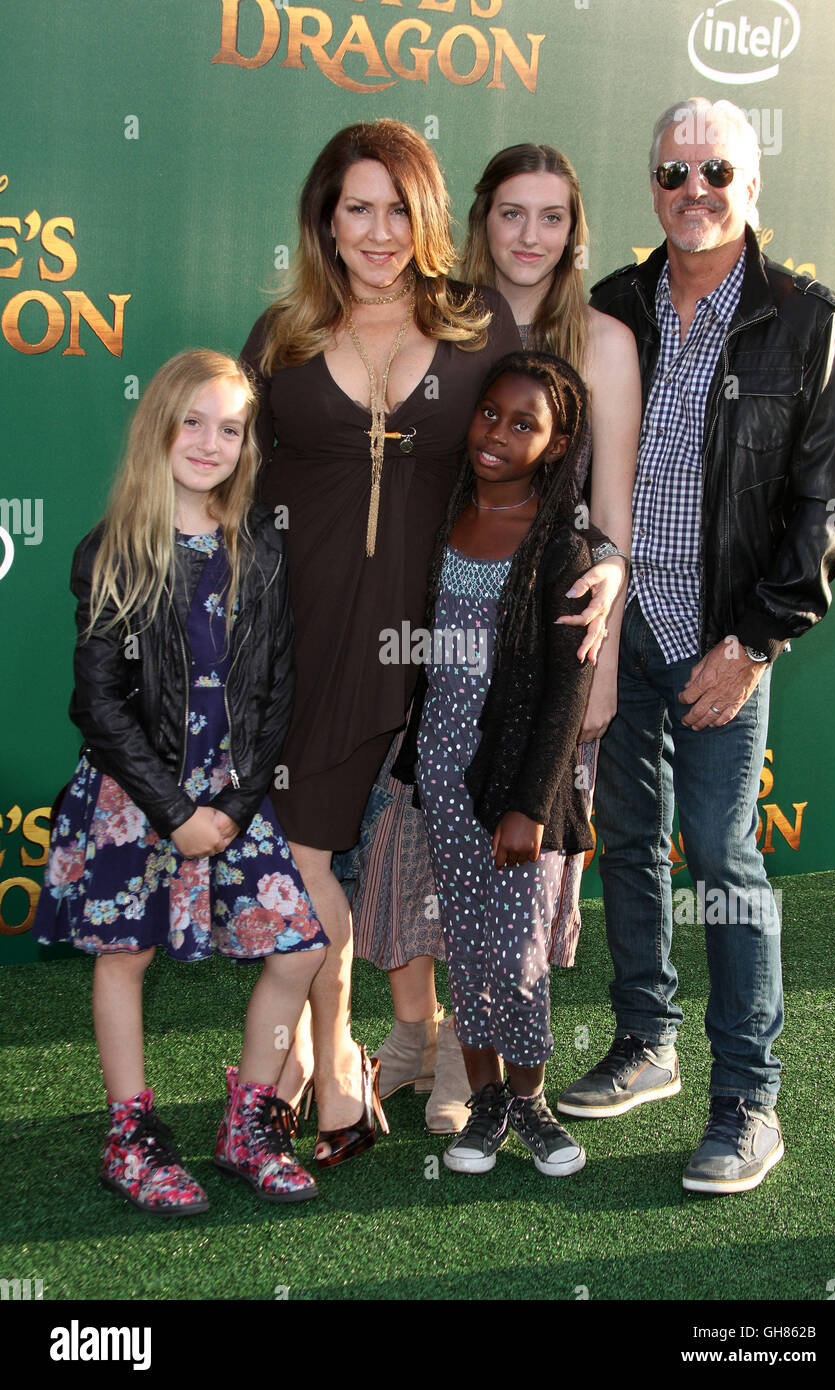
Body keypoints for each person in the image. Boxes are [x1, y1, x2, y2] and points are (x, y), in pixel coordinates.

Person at [557, 97, 835, 1194]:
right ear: (650, 187)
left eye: (715, 175)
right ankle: (645, 1040)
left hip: (724, 642)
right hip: (622, 628)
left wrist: (750, 643)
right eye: (672, 176)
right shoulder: (610, 306)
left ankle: (748, 1100)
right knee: (629, 838)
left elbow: (830, 509)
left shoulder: (807, 320)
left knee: (724, 862)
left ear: (751, 185)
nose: (693, 194)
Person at [239, 119, 522, 1162]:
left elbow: (538, 469)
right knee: (310, 857)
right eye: (356, 207)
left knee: (406, 853)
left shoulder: (479, 331)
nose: (378, 230)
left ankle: (395, 1052)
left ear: (427, 215)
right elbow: (224, 487)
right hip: (301, 641)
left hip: (441, 643)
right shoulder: (281, 338)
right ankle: (337, 1062)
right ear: (323, 217)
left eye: (398, 207)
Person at [358, 144, 639, 1133]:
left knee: (505, 866)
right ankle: (415, 1032)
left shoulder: (601, 339)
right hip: (426, 627)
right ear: (480, 221)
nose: (528, 235)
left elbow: (611, 510)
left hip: (545, 650)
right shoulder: (434, 324)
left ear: (573, 231)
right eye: (510, 213)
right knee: (413, 840)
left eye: (550, 216)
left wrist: (598, 642)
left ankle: (468, 1075)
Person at [32, 349, 332, 1214]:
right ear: (156, 425)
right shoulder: (114, 548)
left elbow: (276, 689)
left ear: (248, 444)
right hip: (139, 796)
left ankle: (251, 1122)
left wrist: (232, 810)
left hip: (232, 797)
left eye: (230, 429)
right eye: (192, 422)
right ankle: (129, 1138)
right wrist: (172, 811)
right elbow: (97, 701)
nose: (209, 442)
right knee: (126, 954)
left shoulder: (259, 548)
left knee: (301, 945)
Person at [394, 350, 608, 1174]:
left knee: (518, 957)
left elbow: (567, 697)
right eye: (490, 413)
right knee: (470, 951)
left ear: (555, 446)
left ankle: (531, 1103)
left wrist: (529, 804)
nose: (498, 433)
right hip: (443, 780)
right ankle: (484, 1103)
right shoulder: (444, 517)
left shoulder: (563, 549)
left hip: (521, 794)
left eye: (526, 424)